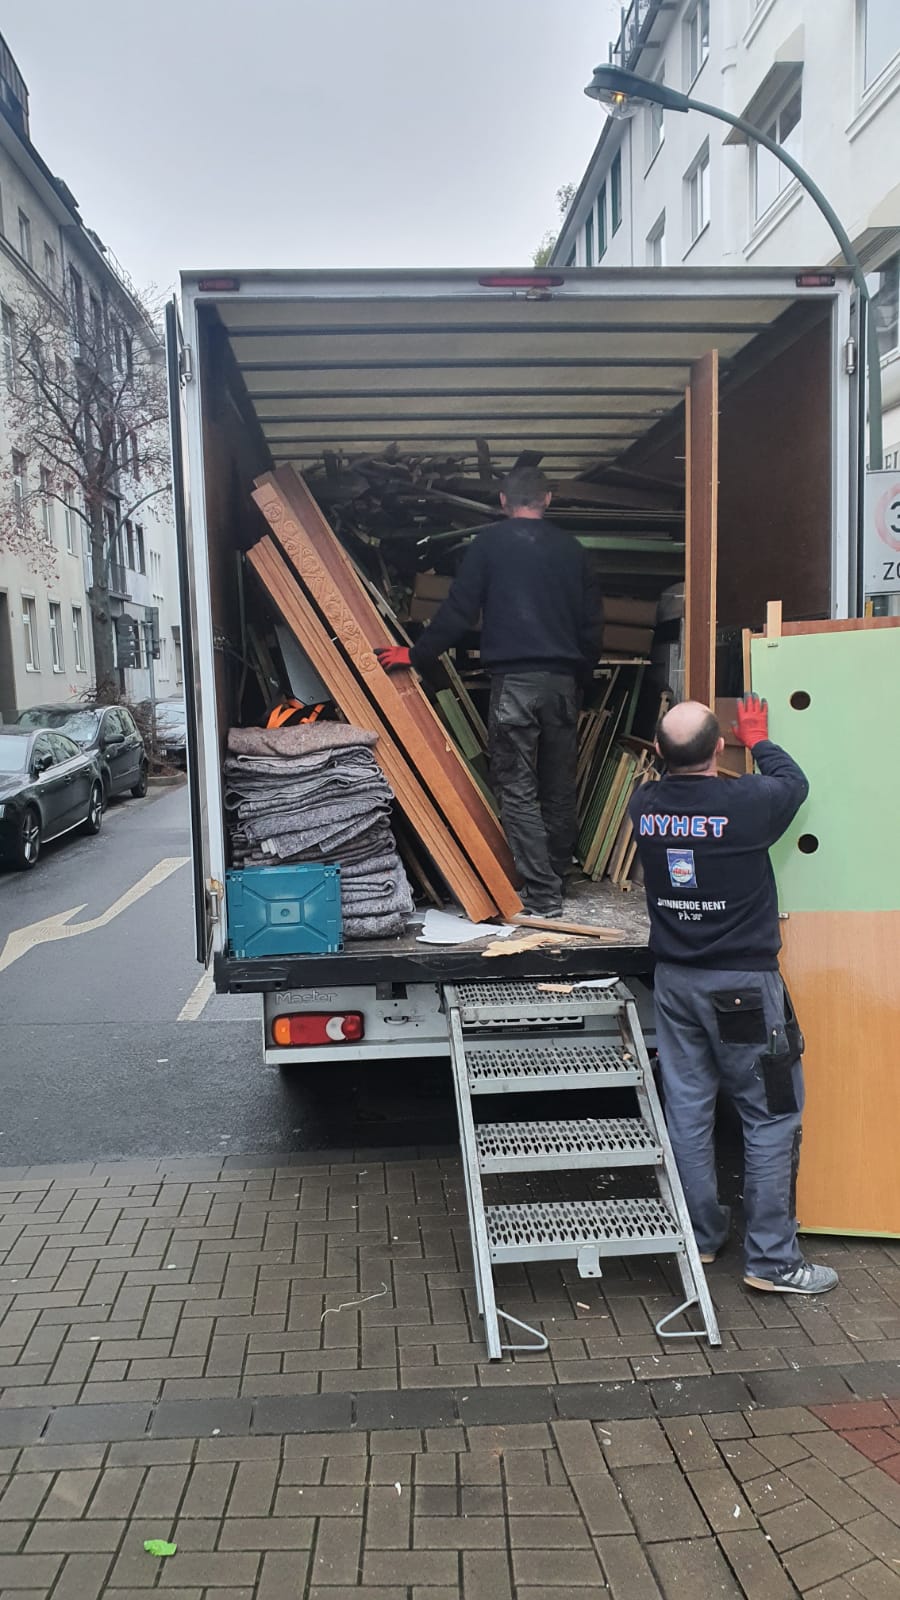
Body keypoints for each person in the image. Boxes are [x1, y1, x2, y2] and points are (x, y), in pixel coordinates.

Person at [629, 694, 838, 1296]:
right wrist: (760, 738)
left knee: (689, 1111)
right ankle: (773, 1262)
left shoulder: (645, 806)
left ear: (660, 755)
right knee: (770, 1116)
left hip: (675, 985)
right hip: (742, 992)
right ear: (720, 749)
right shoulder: (746, 803)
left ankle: (701, 1235)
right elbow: (792, 783)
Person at [375, 466, 603, 916]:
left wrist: (416, 654)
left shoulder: (489, 546)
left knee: (517, 787)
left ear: (502, 501)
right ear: (549, 499)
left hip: (515, 683)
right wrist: (584, 676)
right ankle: (555, 879)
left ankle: (542, 894)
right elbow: (592, 624)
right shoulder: (573, 550)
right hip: (561, 683)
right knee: (559, 787)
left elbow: (459, 611)